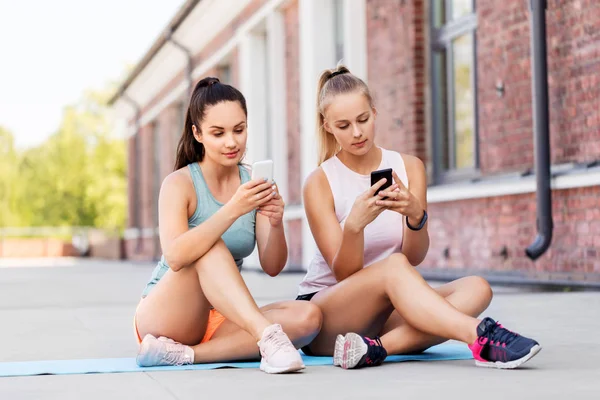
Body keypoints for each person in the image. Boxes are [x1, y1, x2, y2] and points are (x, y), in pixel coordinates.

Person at [297, 65, 541, 370]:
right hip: (329, 315)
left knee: (477, 287)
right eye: (344, 125)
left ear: (374, 112)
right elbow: (346, 274)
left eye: (363, 120)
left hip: (385, 311)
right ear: (327, 126)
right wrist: (355, 225)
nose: (357, 133)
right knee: (393, 267)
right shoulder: (320, 182)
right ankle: (480, 336)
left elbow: (413, 257)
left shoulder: (409, 167)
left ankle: (375, 348)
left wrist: (415, 215)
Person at [133, 77, 322, 374]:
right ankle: (267, 338)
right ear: (197, 133)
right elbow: (175, 256)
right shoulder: (179, 183)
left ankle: (184, 355)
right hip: (168, 313)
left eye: (239, 129)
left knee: (308, 316)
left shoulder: (253, 183)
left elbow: (272, 266)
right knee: (209, 246)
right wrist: (234, 209)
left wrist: (275, 222)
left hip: (223, 316)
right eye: (218, 133)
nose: (232, 142)